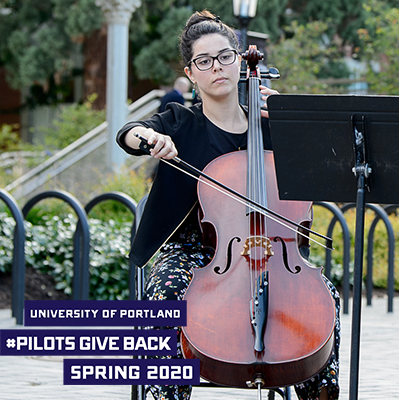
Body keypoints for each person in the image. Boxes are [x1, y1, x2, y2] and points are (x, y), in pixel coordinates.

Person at [117, 10, 340, 400]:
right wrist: (149, 140)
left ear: (240, 59)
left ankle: (319, 390)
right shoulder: (179, 122)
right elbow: (129, 133)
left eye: (224, 56)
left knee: (325, 296)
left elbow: (321, 165)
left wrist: (291, 119)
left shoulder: (269, 125)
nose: (216, 67)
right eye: (204, 61)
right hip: (192, 250)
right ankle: (166, 395)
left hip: (271, 249)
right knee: (167, 295)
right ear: (191, 73)